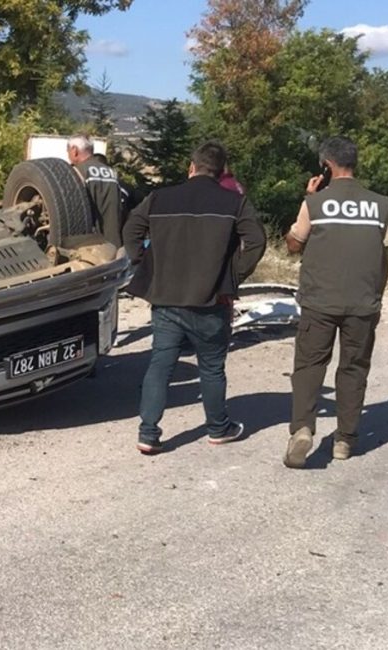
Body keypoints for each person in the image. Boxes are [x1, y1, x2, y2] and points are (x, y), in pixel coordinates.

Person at [122, 141, 266, 454]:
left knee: (160, 365)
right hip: (212, 301)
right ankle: (218, 428)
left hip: (166, 299)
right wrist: (232, 276)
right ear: (221, 172)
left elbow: (132, 228)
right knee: (211, 368)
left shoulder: (159, 198)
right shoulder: (234, 203)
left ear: (191, 167)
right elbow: (256, 242)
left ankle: (148, 433)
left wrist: (142, 261)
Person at [282, 136, 388, 469]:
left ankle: (302, 429)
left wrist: (310, 198)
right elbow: (384, 256)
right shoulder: (380, 204)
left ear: (326, 166)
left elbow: (292, 245)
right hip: (363, 302)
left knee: (309, 367)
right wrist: (377, 296)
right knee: (354, 368)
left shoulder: (316, 203)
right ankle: (345, 439)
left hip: (319, 301)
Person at [67, 135, 123, 247]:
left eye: (68, 151)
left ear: (74, 151)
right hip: (113, 243)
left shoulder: (76, 172)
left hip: (90, 245)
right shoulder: (111, 172)